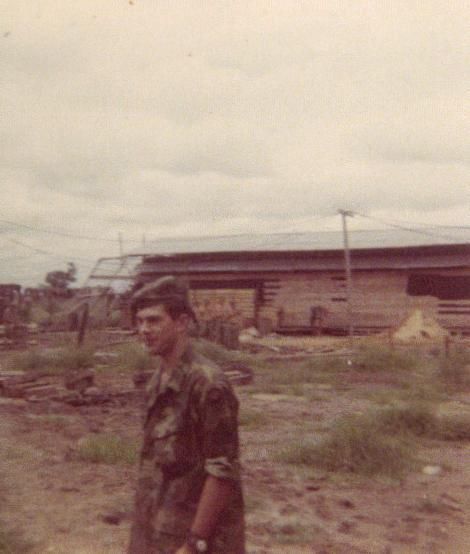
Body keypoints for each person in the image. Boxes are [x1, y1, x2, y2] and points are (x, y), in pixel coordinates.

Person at [128, 276, 245, 554]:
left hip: (195, 539)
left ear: (181, 323)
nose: (144, 330)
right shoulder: (158, 380)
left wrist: (194, 544)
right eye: (140, 321)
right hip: (156, 530)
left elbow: (222, 472)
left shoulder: (207, 384)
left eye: (154, 320)